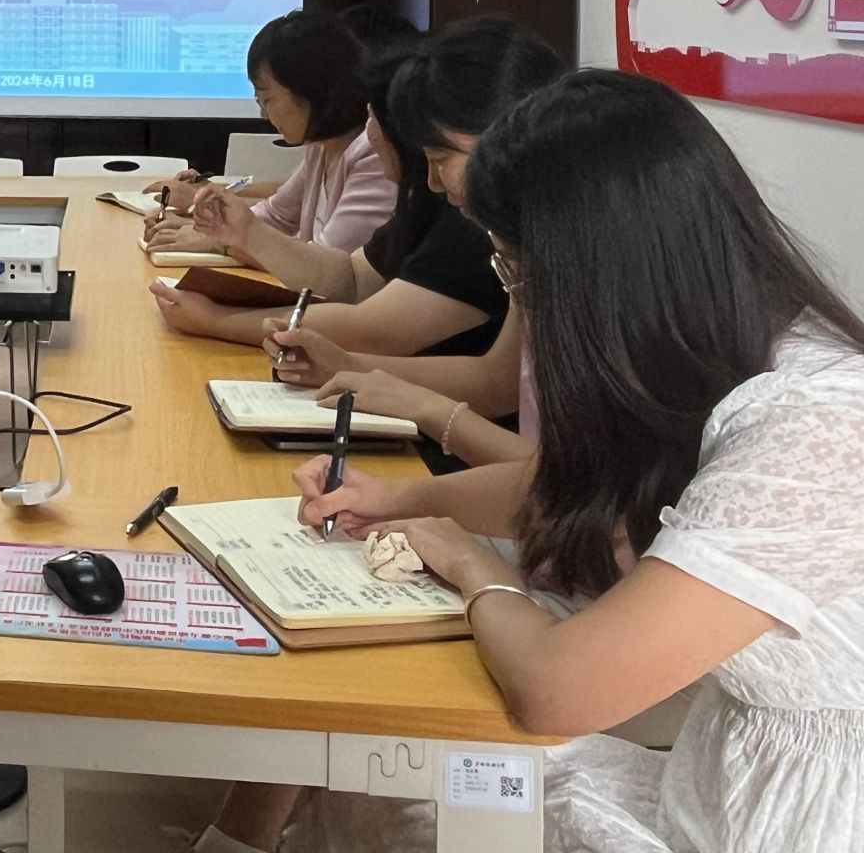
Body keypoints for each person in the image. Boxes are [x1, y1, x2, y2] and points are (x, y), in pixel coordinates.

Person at [194, 69, 864, 853]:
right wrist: (396, 501)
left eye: (515, 267)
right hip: (724, 775)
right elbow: (580, 488)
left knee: (399, 785)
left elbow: (558, 690)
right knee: (377, 765)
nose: (524, 295)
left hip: (786, 818)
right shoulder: (729, 345)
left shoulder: (814, 428)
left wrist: (472, 565)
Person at [151, 16, 558, 368]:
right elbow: (351, 279)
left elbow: (376, 330)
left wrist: (216, 320)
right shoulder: (433, 199)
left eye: (438, 156)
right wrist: (242, 232)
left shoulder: (475, 220)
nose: (369, 133)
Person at [144, 9, 394, 256]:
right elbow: (276, 215)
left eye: (267, 99)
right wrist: (199, 229)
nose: (263, 114)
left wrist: (218, 242)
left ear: (310, 90)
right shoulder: (320, 146)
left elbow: (328, 263)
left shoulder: (372, 155)